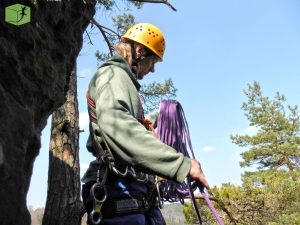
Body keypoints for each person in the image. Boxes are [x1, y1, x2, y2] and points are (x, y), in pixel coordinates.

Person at [81, 22, 209, 225]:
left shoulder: (123, 81)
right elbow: (119, 128)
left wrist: (153, 119)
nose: (153, 70)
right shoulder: (113, 75)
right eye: (153, 62)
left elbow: (122, 121)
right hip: (119, 187)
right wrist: (181, 165)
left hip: (134, 190)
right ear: (139, 51)